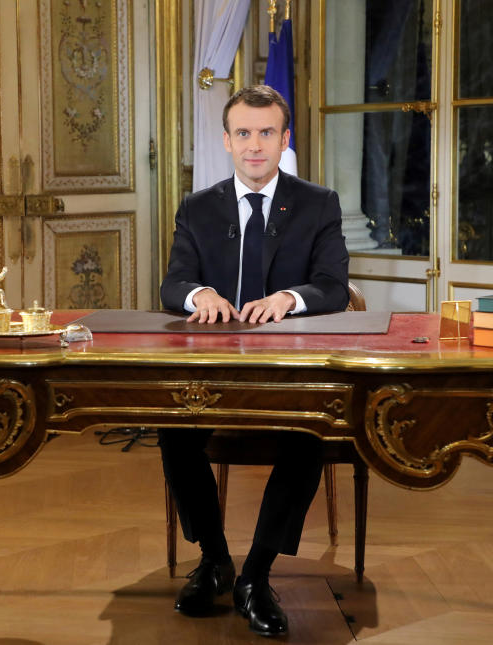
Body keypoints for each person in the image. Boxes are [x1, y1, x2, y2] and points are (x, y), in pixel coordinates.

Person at [158, 85, 350, 637]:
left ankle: (257, 574)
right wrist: (201, 297)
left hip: (291, 369)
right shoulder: (197, 207)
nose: (255, 145)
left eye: (267, 133)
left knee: (309, 435)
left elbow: (333, 288)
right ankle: (215, 559)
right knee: (172, 430)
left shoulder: (318, 203)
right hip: (213, 367)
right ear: (226, 141)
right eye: (243, 133)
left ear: (284, 139)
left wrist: (289, 299)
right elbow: (173, 283)